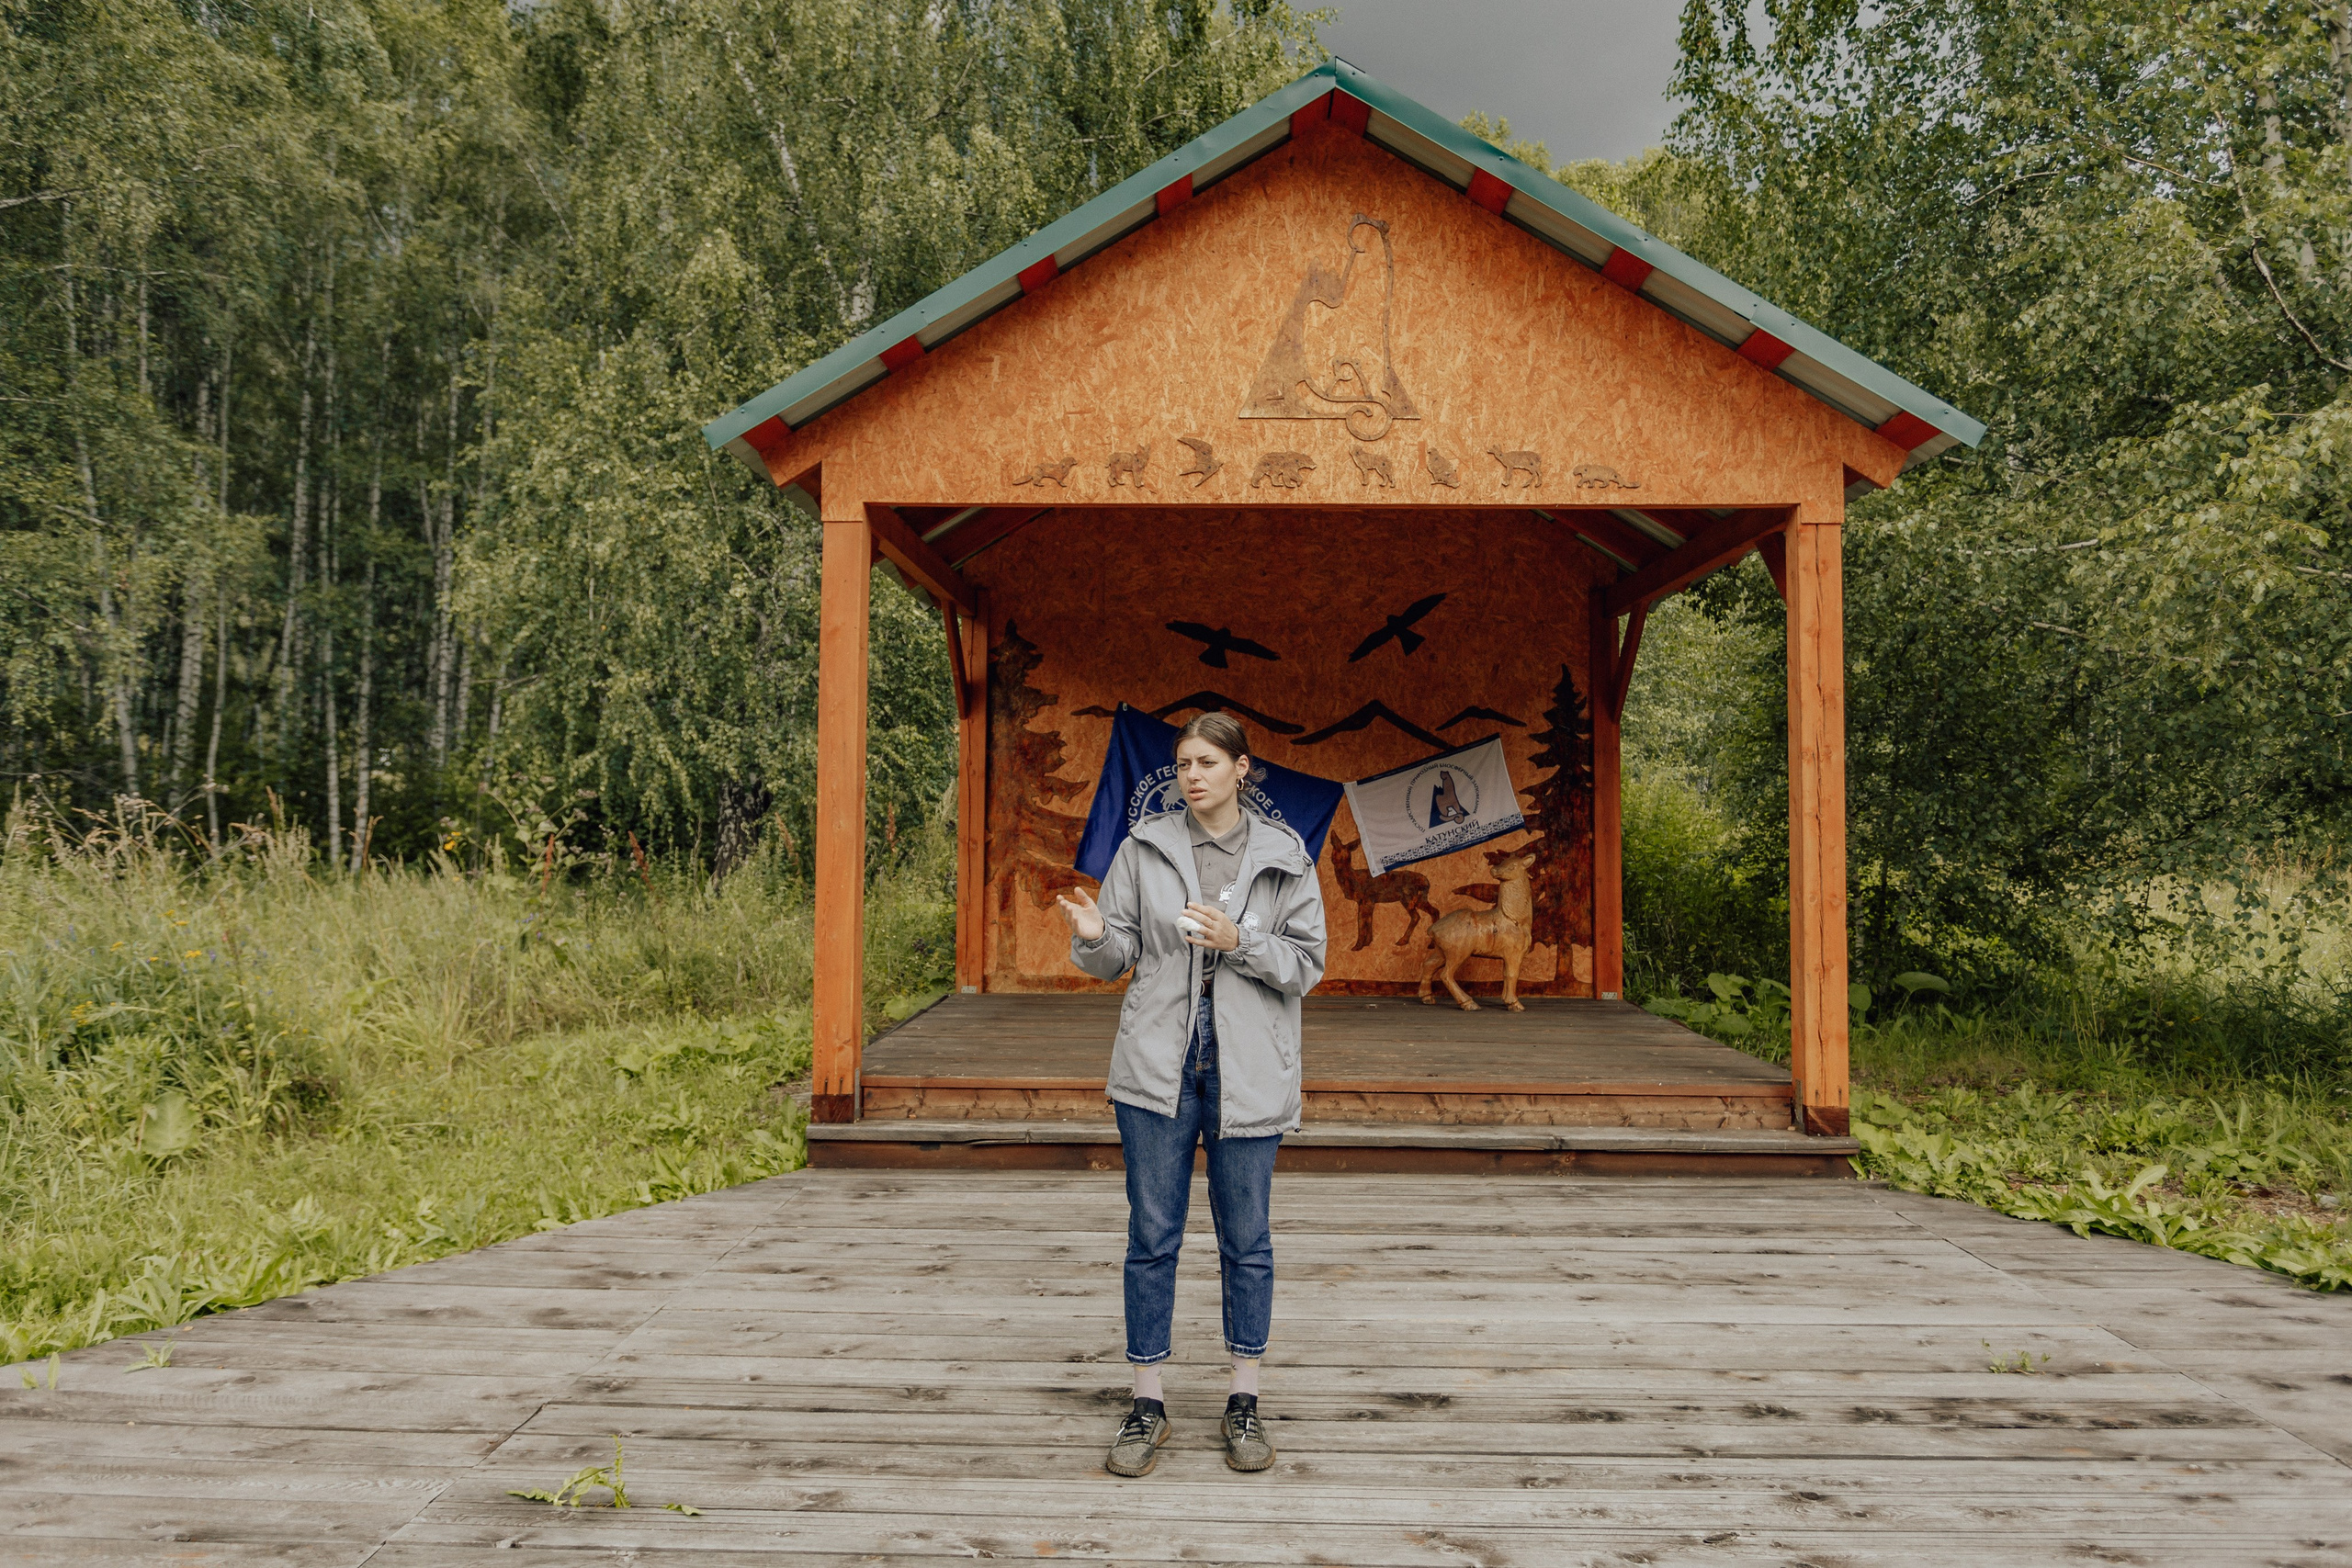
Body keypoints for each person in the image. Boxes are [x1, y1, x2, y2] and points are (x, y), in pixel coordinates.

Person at [1055, 712, 1328, 1477]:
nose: (1192, 774)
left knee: (1248, 1239)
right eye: (1182, 763)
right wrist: (1093, 934)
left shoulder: (1285, 855)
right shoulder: (1143, 847)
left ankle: (1244, 1400)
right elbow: (1117, 955)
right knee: (1152, 1235)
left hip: (1249, 1068)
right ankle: (1147, 1403)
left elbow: (1307, 964)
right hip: (1157, 1065)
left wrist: (1242, 942)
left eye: (1208, 761)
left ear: (1242, 768)